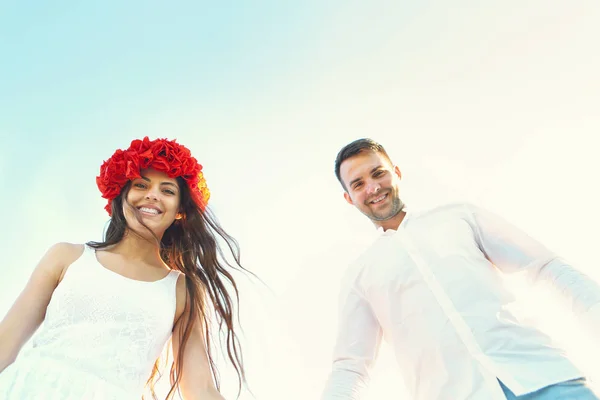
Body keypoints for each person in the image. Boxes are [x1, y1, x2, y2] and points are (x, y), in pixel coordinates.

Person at [321, 138, 600, 400]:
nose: (372, 187)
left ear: (396, 172)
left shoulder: (459, 216)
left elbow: (546, 266)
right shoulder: (360, 273)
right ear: (348, 198)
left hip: (546, 379)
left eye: (378, 173)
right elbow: (351, 366)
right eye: (358, 184)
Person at [0, 137, 249, 400]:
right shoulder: (67, 257)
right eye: (141, 185)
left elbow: (200, 389)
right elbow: (5, 343)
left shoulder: (181, 290)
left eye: (167, 190)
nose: (152, 194)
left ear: (180, 211)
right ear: (122, 196)